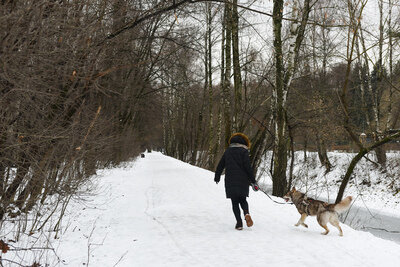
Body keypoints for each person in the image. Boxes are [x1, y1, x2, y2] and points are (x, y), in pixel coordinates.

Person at [214, 133, 259, 230]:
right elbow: (248, 167)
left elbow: (221, 165)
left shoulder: (228, 151)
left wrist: (217, 176)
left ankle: (239, 223)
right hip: (243, 180)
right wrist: (253, 181)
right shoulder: (244, 152)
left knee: (234, 202)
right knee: (243, 199)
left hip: (230, 179)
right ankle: (246, 213)